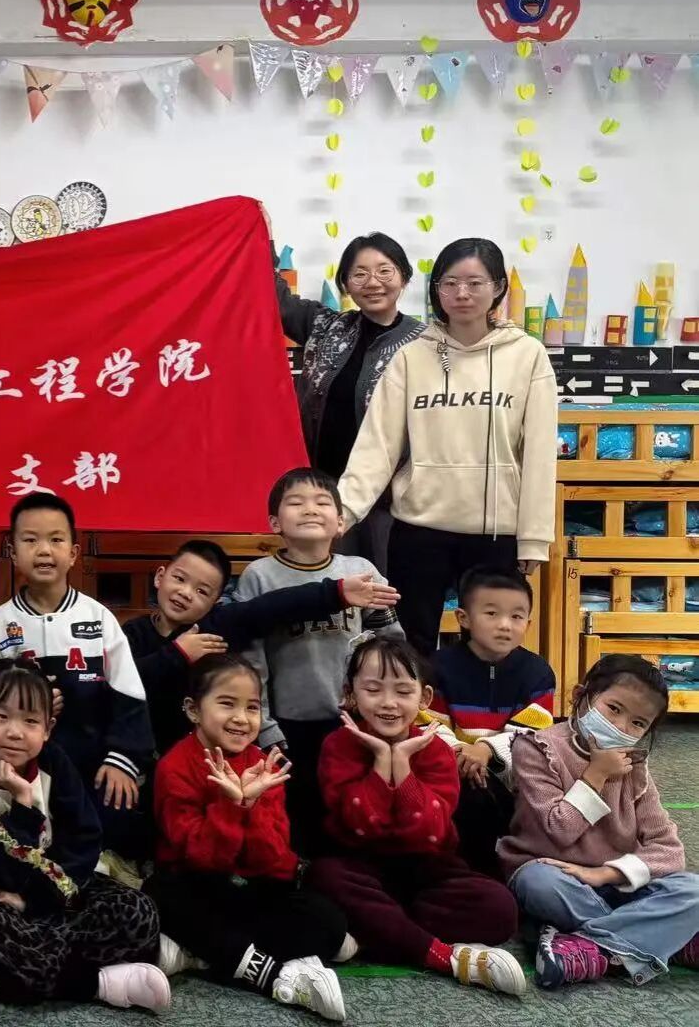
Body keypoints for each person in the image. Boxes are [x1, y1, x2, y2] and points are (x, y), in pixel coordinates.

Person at [338, 236, 558, 653]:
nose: (462, 293)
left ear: (498, 287)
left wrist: (534, 537)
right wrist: (344, 510)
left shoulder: (528, 356)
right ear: (436, 289)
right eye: (450, 283)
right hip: (419, 529)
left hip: (495, 533)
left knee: (490, 645)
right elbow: (378, 444)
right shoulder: (411, 356)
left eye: (475, 283)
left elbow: (540, 455)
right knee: (412, 643)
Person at [0, 659, 168, 1012]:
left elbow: (84, 840)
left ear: (48, 728)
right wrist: (22, 804)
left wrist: (36, 902)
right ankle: (97, 984)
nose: (15, 732)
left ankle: (4, 973)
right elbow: (3, 873)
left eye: (30, 721)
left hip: (55, 895)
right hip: (0, 900)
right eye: (1, 717)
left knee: (138, 911)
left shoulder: (55, 762)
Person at [306, 637, 524, 998]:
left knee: (500, 909)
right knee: (323, 878)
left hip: (427, 867)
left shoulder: (436, 750)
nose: (388, 703)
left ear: (424, 699)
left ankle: (379, 929)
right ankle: (439, 954)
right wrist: (381, 763)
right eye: (373, 689)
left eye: (403, 691)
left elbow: (431, 832)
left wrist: (403, 767)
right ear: (350, 694)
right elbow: (360, 824)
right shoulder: (338, 745)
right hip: (360, 863)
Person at [148, 653, 349, 1021]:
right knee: (163, 898)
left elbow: (274, 860)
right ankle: (274, 975)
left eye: (252, 707)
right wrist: (231, 805)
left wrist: (251, 804)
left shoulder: (265, 763)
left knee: (329, 923)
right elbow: (200, 857)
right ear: (193, 710)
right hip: (195, 882)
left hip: (250, 886)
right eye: (227, 704)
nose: (242, 718)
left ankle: (201, 953)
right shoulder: (174, 766)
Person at [501, 654, 699, 988]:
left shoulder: (634, 766)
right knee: (538, 885)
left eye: (638, 723)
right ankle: (663, 939)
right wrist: (596, 774)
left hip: (616, 883)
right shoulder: (536, 748)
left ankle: (591, 948)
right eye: (614, 709)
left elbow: (669, 851)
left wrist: (605, 874)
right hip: (557, 876)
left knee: (693, 889)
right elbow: (559, 829)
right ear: (580, 696)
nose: (621, 727)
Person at [238, 468, 400, 848]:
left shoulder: (362, 571)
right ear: (275, 522)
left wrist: (384, 707)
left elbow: (390, 645)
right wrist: (264, 724)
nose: (310, 509)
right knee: (298, 813)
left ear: (341, 522)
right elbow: (250, 663)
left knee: (349, 808)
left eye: (322, 502)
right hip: (287, 722)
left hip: (353, 718)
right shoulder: (259, 576)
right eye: (296, 503)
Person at [0, 492, 153, 856]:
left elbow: (130, 695)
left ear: (74, 553)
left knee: (115, 811)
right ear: (13, 552)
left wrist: (121, 759)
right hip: (26, 760)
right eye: (30, 540)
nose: (44, 551)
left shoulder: (98, 618)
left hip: (93, 758)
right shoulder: (1, 622)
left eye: (56, 539)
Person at [123, 539, 398, 752]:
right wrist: (179, 654)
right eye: (179, 579)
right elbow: (122, 686)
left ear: (215, 602)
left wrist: (335, 593)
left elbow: (271, 607)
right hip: (143, 750)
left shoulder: (215, 628)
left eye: (202, 591)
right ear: (160, 576)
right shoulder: (131, 634)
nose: (185, 593)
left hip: (210, 752)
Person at [269, 217, 423, 568]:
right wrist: (264, 239)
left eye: (385, 271)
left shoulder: (425, 343)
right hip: (323, 494)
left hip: (390, 502)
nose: (373, 282)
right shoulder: (326, 327)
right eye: (360, 274)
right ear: (346, 284)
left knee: (383, 586)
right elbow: (273, 298)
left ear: (404, 278)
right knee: (327, 584)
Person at [428, 567, 556, 873]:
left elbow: (534, 735)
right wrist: (460, 753)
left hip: (509, 773)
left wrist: (486, 749)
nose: (505, 625)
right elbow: (428, 724)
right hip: (449, 767)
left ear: (528, 623)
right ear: (463, 618)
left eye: (516, 616)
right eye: (491, 614)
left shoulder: (537, 672)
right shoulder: (438, 667)